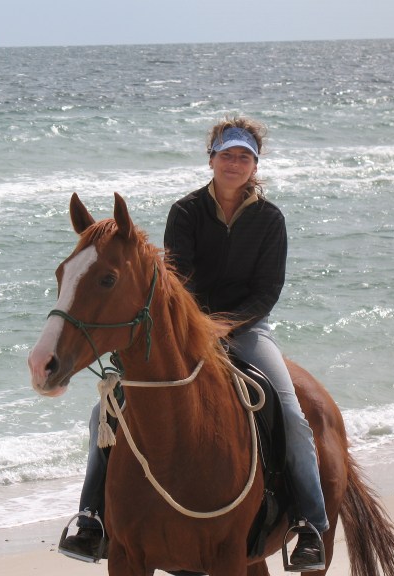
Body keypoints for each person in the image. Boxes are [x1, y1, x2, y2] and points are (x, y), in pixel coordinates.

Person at [60, 117, 328, 571]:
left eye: (244, 157)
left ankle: (308, 523)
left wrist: (227, 326)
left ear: (255, 165)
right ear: (212, 159)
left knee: (291, 412)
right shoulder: (185, 212)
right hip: (185, 329)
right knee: (103, 413)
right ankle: (91, 519)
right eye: (227, 155)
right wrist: (198, 325)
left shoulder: (270, 219)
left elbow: (267, 291)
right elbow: (175, 283)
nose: (234, 163)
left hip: (246, 329)